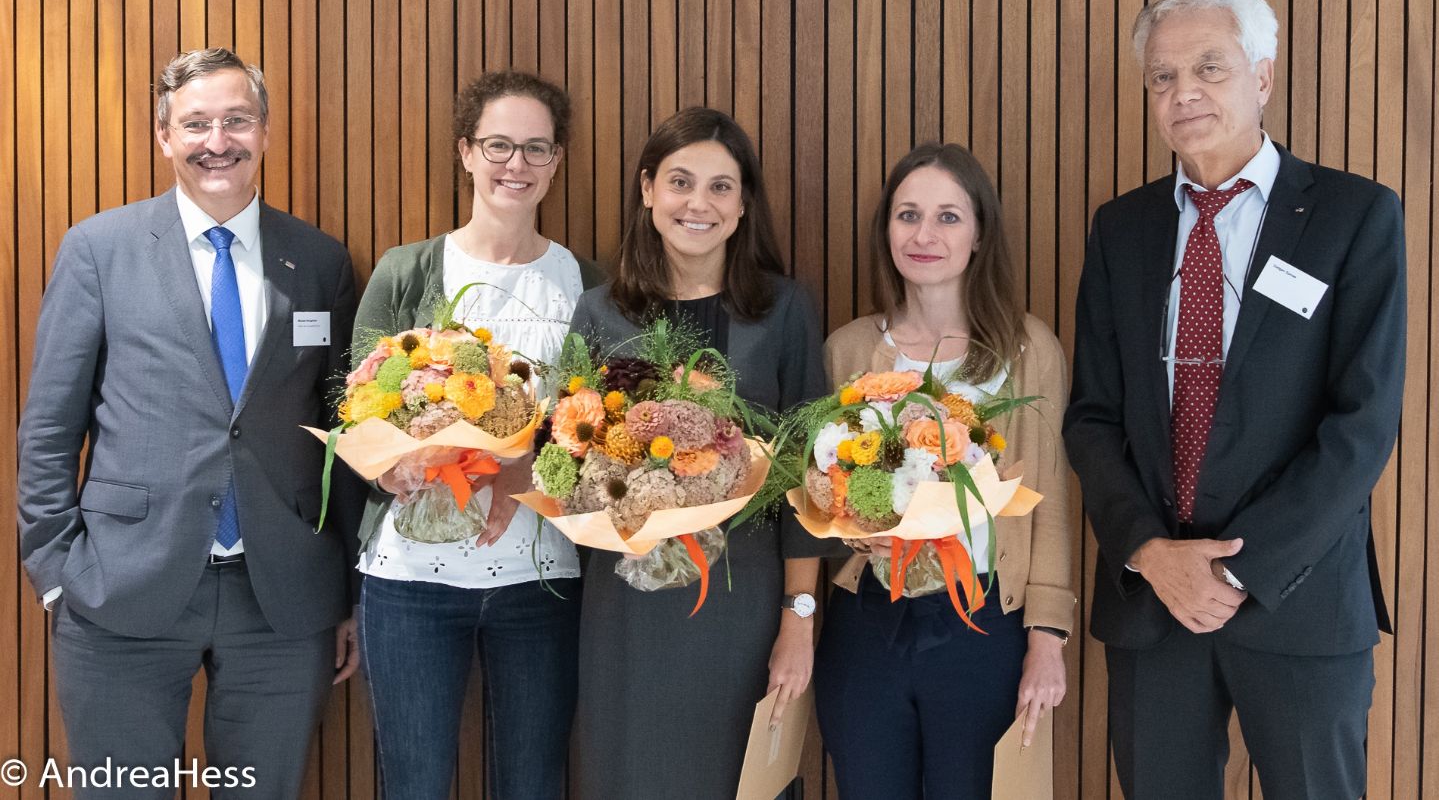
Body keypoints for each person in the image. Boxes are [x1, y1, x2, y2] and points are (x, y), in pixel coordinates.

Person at [1063, 0, 1405, 799]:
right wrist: (1150, 553)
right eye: (1161, 77)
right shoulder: (1122, 229)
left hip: (1299, 597)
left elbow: (1360, 423)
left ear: (1262, 75)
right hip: (1153, 608)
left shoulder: (1352, 217)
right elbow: (1091, 417)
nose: (1182, 93)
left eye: (1208, 68)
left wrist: (1234, 573)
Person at [17, 47, 363, 798]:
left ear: (265, 131)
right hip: (122, 590)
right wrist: (54, 571)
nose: (218, 140)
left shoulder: (320, 261)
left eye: (236, 120)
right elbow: (49, 426)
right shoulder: (98, 252)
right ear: (164, 137)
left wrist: (344, 593)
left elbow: (347, 433)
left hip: (282, 601)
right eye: (196, 123)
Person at [568, 106, 834, 800]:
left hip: (741, 603)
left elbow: (806, 477)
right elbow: (571, 458)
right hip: (623, 607)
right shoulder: (599, 314)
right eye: (680, 181)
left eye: (721, 186)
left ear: (743, 205)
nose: (698, 202)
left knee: (735, 778)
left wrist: (798, 620)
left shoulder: (784, 310)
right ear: (647, 189)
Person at [353, 70, 605, 800]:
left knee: (532, 784)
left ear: (557, 161)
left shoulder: (585, 285)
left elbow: (596, 429)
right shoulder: (406, 271)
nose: (515, 165)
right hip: (409, 582)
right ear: (465, 152)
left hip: (543, 581)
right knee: (415, 783)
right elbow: (355, 412)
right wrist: (391, 467)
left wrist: (529, 470)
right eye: (498, 145)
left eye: (535, 148)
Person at [816, 142, 1075, 798]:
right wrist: (851, 530)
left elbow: (1048, 501)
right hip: (867, 619)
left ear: (979, 232)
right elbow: (819, 488)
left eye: (947, 217)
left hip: (982, 622)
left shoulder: (1027, 349)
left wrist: (1046, 635)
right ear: (886, 230)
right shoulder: (847, 349)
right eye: (907, 215)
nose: (924, 234)